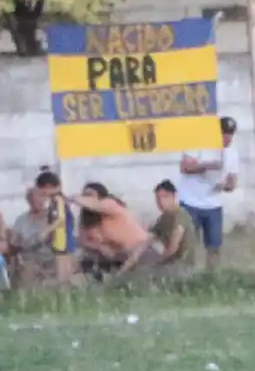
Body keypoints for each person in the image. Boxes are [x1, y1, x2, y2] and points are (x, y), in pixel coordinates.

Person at [177, 116, 239, 268]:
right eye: (224, 133)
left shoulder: (232, 153)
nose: (227, 137)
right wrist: (207, 166)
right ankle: (186, 276)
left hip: (214, 204)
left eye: (230, 133)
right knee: (188, 244)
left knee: (214, 246)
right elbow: (185, 167)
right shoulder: (198, 144)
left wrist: (226, 185)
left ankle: (212, 276)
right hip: (191, 201)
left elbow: (232, 181)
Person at [67, 183, 165, 278]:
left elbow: (95, 205)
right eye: (85, 195)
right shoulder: (89, 219)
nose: (86, 198)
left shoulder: (110, 204)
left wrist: (72, 198)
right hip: (120, 255)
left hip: (142, 250)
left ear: (101, 196)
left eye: (90, 195)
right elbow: (82, 240)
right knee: (88, 258)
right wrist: (99, 247)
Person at [151, 180, 198, 270]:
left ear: (174, 197)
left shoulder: (180, 214)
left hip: (182, 265)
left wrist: (157, 264)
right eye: (158, 198)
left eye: (165, 197)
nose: (160, 202)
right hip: (171, 262)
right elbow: (148, 238)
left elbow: (173, 247)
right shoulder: (164, 217)